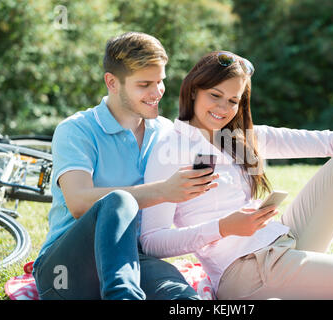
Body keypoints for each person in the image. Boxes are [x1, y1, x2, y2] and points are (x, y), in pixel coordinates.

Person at [140, 51, 333, 299]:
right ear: (194, 91)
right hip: (246, 272)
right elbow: (152, 241)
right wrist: (224, 227)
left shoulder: (239, 139)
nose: (223, 107)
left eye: (233, 100)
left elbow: (326, 140)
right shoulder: (170, 147)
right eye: (215, 95)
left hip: (281, 243)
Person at [32, 32, 219, 300]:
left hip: (134, 261)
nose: (157, 93)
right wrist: (163, 191)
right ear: (112, 82)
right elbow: (78, 202)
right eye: (144, 84)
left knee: (181, 296)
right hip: (66, 271)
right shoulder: (76, 130)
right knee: (118, 201)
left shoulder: (167, 133)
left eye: (160, 81)